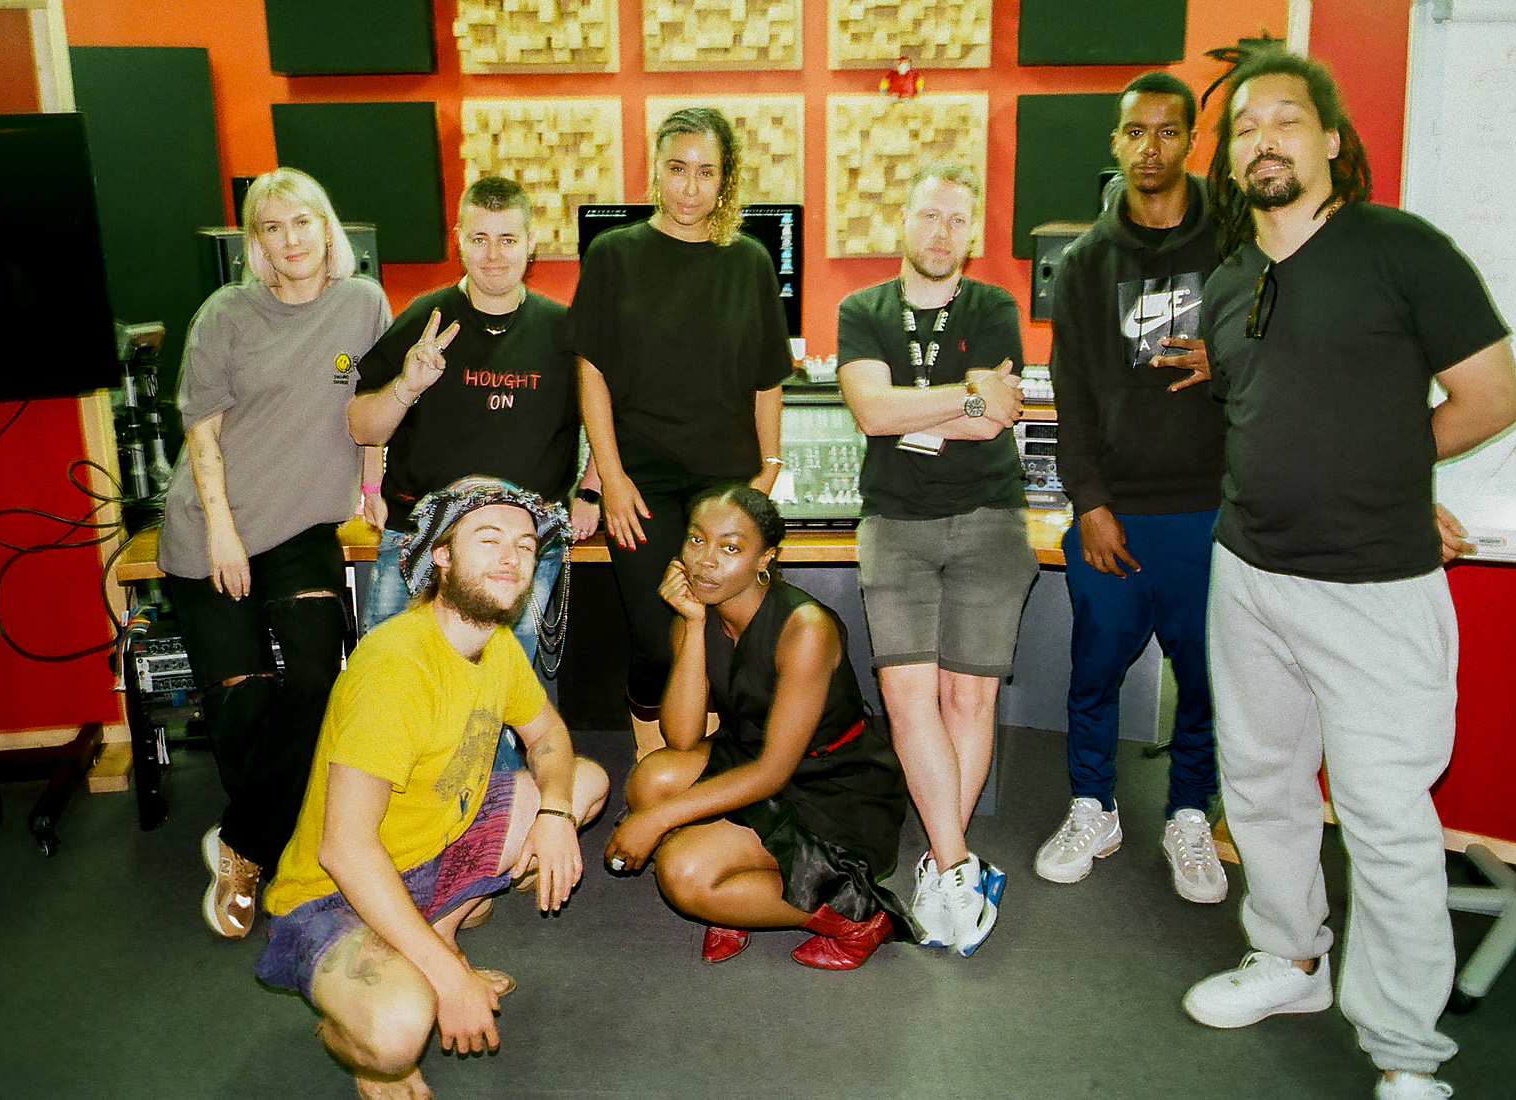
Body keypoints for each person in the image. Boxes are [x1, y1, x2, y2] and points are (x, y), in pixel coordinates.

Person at [1182, 50, 1516, 1100]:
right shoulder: (1232, 280)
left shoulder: (1401, 249)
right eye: (1244, 127)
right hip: (1247, 574)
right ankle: (1288, 960)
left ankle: (1406, 1047)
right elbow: (1266, 414)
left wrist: (1391, 473)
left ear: (1331, 141)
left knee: (1384, 820)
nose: (1263, 139)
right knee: (1264, 790)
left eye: (1286, 120)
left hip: (1375, 589)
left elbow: (1488, 395)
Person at [255, 477, 609, 1100]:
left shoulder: (494, 645)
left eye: (526, 546)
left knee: (582, 784)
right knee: (397, 1033)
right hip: (334, 892)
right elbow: (345, 850)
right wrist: (448, 980)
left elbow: (549, 737)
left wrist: (553, 813)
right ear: (440, 556)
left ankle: (436, 930)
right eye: (489, 539)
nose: (513, 558)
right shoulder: (396, 669)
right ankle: (357, 1039)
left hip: (433, 850)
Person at [158, 167, 391, 940]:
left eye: (303, 223)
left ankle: (240, 844)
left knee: (322, 682)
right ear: (255, 243)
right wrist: (222, 529)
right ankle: (272, 849)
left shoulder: (363, 305)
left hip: (301, 531)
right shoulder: (224, 314)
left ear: (328, 228)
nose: (291, 240)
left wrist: (372, 488)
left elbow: (375, 407)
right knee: (244, 697)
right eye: (272, 228)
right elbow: (201, 431)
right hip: (212, 527)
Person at [1038, 72, 1229, 904]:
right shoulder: (1084, 263)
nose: (1150, 148)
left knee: (1209, 677)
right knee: (1093, 672)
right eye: (1134, 133)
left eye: (1166, 132)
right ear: (1115, 144)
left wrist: (1227, 362)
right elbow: (1070, 391)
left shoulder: (1237, 246)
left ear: (1193, 140)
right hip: (1113, 513)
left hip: (1212, 510)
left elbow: (1281, 357)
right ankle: (1093, 807)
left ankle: (1190, 815)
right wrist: (1090, 503)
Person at [837, 162, 1036, 957]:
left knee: (968, 702)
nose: (941, 232)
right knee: (909, 696)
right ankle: (954, 865)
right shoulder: (863, 309)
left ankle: (941, 860)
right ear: (905, 222)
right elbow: (872, 411)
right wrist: (966, 395)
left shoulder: (994, 306)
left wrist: (926, 411)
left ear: (972, 232)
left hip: (990, 521)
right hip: (896, 524)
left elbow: (996, 423)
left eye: (957, 220)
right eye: (928, 216)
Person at [349, 175, 599, 773]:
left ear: (532, 245)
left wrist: (591, 486)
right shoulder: (423, 317)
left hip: (523, 549)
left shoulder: (565, 332)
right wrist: (408, 383)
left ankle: (493, 838)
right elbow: (362, 424)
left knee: (502, 706)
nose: (494, 254)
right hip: (418, 542)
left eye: (508, 239)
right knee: (388, 691)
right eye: (480, 238)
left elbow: (613, 418)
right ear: (459, 239)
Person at [567, 106, 795, 760]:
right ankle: (652, 759)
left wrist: (769, 471)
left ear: (725, 182)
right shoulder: (615, 255)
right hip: (643, 481)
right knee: (653, 630)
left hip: (728, 481)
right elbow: (592, 374)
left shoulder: (748, 261)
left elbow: (766, 381)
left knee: (726, 628)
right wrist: (609, 477)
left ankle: (710, 768)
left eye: (705, 173)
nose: (689, 188)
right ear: (655, 172)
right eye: (676, 169)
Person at [604, 487, 912, 969]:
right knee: (653, 779)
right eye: (696, 540)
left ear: (765, 557)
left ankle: (854, 918)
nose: (706, 562)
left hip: (832, 788)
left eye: (730, 548)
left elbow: (774, 772)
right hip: (749, 754)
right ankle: (738, 894)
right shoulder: (700, 610)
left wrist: (658, 820)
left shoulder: (805, 628)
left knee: (682, 873)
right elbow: (682, 738)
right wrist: (690, 625)